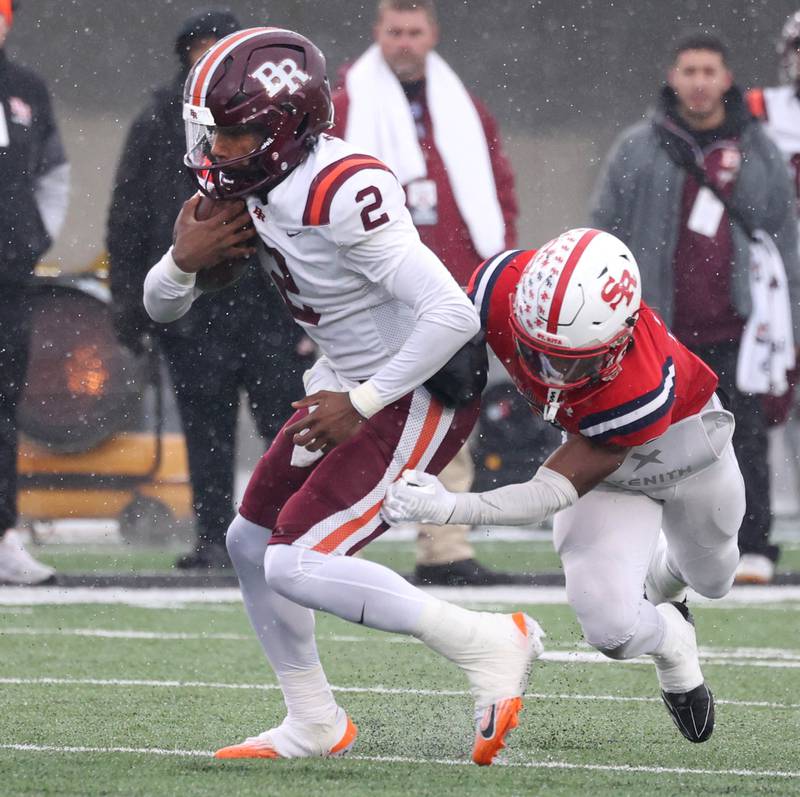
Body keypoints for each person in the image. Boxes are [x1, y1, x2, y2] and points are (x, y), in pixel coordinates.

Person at [143, 27, 543, 766]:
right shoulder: (249, 181)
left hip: (417, 389)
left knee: (294, 559)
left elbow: (453, 315)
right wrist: (181, 261)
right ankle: (314, 719)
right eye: (213, 132)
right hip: (347, 382)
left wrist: (361, 402)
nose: (215, 151)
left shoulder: (339, 188)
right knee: (248, 541)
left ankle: (490, 641)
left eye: (232, 134)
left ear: (281, 130)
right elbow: (159, 306)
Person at [384, 229, 747, 744]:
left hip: (688, 454)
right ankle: (675, 646)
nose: (550, 372)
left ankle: (667, 578)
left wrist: (451, 507)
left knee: (713, 578)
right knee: (612, 630)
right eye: (538, 352)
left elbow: (549, 491)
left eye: (573, 361)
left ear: (619, 337)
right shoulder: (498, 289)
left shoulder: (636, 388)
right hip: (612, 480)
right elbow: (433, 343)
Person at [589, 32, 800, 585]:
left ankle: (753, 544)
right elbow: (603, 228)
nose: (700, 82)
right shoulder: (639, 145)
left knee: (745, 433)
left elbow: (784, 237)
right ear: (673, 77)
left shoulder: (758, 146)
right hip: (658, 324)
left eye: (710, 71)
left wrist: (789, 323)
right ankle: (651, 546)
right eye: (690, 71)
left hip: (738, 322)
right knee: (651, 436)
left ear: (727, 79)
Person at [107, 9, 312, 570]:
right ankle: (213, 536)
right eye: (197, 53)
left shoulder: (277, 122)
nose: (205, 64)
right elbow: (127, 215)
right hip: (197, 310)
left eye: (217, 52)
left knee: (285, 426)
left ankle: (296, 534)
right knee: (206, 428)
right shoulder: (157, 121)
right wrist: (130, 304)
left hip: (269, 304)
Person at [330, 0, 526, 586]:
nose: (405, 43)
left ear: (432, 34)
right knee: (359, 414)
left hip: (453, 285)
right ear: (378, 34)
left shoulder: (467, 110)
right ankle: (331, 540)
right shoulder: (344, 107)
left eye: (415, 32)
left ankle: (444, 548)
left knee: (450, 415)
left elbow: (499, 191)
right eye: (395, 32)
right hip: (369, 289)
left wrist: (495, 264)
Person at [0, 0, 69, 585]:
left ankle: (3, 535)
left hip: (6, 279)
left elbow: (52, 171)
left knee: (1, 406)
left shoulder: (24, 88)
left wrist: (29, 241)